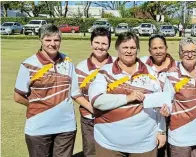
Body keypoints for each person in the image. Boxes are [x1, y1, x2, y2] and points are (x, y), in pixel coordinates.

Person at [13, 24, 88, 157]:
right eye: (48, 40)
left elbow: (75, 91)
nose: (52, 44)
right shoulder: (28, 64)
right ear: (40, 40)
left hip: (66, 127)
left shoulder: (67, 62)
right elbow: (18, 96)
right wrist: (37, 106)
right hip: (38, 128)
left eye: (56, 40)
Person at [88, 32, 167, 157]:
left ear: (137, 50)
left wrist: (161, 131)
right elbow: (97, 100)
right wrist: (128, 98)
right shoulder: (104, 72)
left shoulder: (151, 72)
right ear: (117, 49)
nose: (129, 51)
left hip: (144, 143)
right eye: (125, 47)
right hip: (109, 143)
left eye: (132, 48)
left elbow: (160, 104)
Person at [163, 37, 196, 157]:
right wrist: (165, 110)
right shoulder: (172, 75)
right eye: (185, 52)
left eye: (193, 51)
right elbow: (166, 102)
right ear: (180, 54)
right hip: (179, 137)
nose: (189, 55)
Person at [75, 27, 115, 157]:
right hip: (89, 119)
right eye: (97, 43)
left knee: (113, 152)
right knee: (91, 153)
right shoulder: (81, 67)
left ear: (109, 45)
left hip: (114, 119)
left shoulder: (117, 63)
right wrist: (92, 109)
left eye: (104, 43)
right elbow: (76, 93)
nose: (100, 47)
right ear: (91, 43)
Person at [140, 34, 178, 157]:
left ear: (166, 48)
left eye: (161, 48)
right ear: (149, 50)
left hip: (170, 119)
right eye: (154, 48)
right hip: (148, 118)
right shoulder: (141, 65)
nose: (158, 51)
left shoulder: (177, 67)